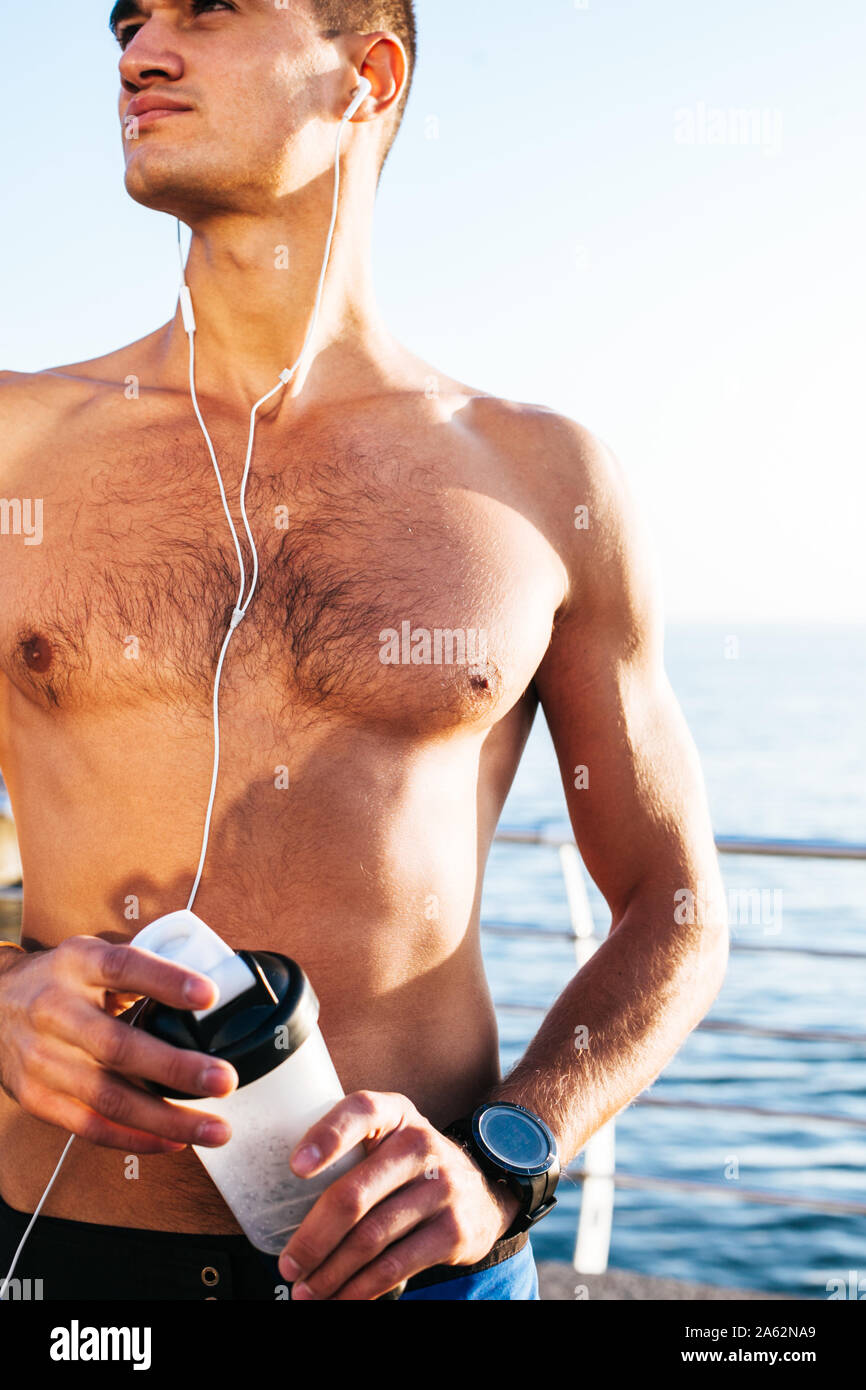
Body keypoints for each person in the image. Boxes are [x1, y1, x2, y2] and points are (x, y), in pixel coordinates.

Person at [0, 0, 728, 1301]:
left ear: (366, 75)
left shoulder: (539, 480)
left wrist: (508, 1155)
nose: (139, 51)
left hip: (423, 1266)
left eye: (206, 12)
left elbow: (673, 910)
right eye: (129, 21)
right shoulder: (18, 449)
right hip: (62, 1250)